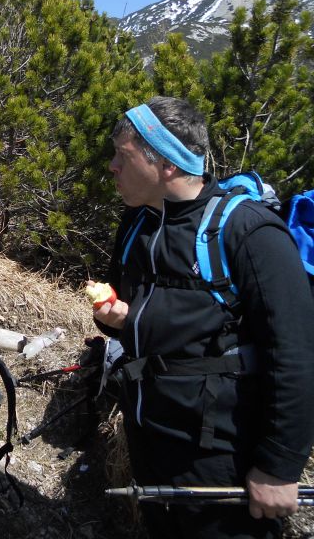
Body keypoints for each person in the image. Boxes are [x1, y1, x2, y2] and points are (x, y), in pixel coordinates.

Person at [95, 96, 314, 539]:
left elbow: (294, 352)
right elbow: (134, 310)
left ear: (167, 164)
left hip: (218, 449)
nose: (113, 166)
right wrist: (115, 317)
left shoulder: (248, 231)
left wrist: (278, 465)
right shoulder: (137, 223)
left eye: (124, 154)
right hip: (147, 428)